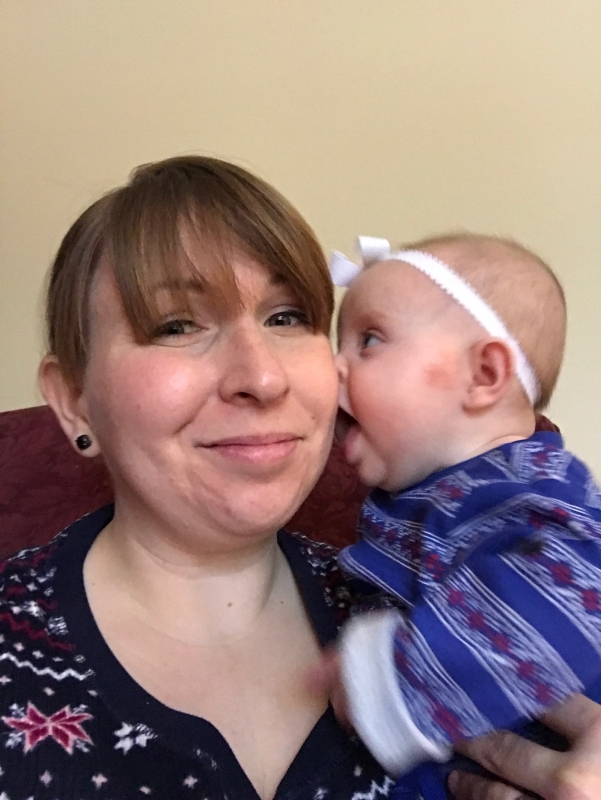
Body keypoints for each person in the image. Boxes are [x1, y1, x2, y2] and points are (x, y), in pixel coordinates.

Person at [0, 157, 599, 800]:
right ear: (74, 401)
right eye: (177, 325)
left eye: (286, 317)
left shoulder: (416, 587)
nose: (263, 378)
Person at [312, 233, 601, 797]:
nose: (332, 368)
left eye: (369, 340)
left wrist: (396, 683)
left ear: (484, 374)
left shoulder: (532, 487)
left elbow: (575, 594)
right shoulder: (410, 500)